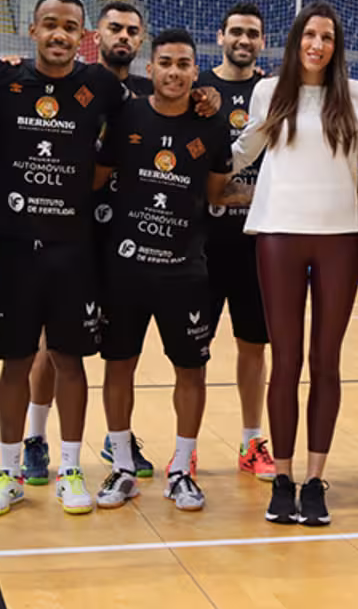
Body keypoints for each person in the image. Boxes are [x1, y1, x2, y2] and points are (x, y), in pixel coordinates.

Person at [0, 0, 134, 517]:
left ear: (83, 36)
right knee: (14, 362)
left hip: (73, 247)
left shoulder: (100, 84)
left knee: (69, 359)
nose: (60, 34)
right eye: (50, 25)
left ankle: (71, 469)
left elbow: (145, 117)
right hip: (15, 245)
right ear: (32, 29)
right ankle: (9, 472)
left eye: (70, 27)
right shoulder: (0, 79)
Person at [235, 0, 358, 527]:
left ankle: (315, 481)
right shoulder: (269, 90)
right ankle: (282, 477)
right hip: (278, 233)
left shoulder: (357, 94)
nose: (318, 44)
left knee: (326, 361)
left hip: (339, 238)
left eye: (328, 37)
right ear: (296, 39)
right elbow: (243, 151)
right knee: (286, 360)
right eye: (310, 35)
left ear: (336, 46)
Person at [92, 28, 235, 513]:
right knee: (119, 365)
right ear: (150, 68)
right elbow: (97, 179)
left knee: (191, 371)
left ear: (197, 72)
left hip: (184, 272)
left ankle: (181, 470)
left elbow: (216, 194)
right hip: (125, 270)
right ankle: (123, 467)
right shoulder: (126, 115)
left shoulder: (213, 126)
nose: (174, 72)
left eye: (184, 64)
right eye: (166, 63)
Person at [196, 2, 277, 480]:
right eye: (236, 32)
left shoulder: (272, 93)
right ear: (221, 36)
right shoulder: (198, 90)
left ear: (262, 42)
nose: (244, 40)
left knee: (254, 346)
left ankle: (251, 441)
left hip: (255, 245)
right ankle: (187, 448)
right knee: (194, 352)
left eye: (252, 34)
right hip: (202, 246)